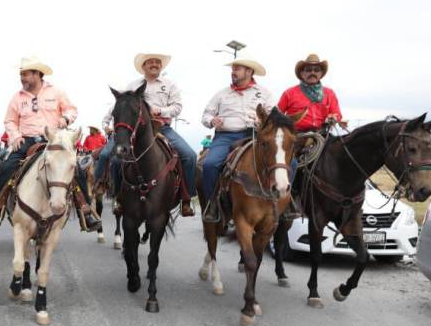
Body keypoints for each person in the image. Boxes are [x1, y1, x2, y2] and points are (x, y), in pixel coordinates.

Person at [0, 56, 101, 231]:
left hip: (53, 139)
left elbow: (71, 109)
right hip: (26, 140)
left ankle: (86, 210)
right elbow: (9, 121)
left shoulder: (56, 92)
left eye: (25, 74)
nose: (22, 78)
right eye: (21, 74)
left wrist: (65, 118)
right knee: (8, 167)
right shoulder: (17, 97)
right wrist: (15, 137)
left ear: (37, 74)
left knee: (75, 168)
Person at [200, 58, 277, 223]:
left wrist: (264, 122)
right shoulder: (221, 94)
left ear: (249, 72)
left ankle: (284, 202)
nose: (233, 72)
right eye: (233, 68)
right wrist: (212, 121)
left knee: (286, 162)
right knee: (209, 164)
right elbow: (205, 115)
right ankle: (211, 204)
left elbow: (274, 116)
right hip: (225, 136)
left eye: (238, 69)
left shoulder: (264, 93)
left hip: (255, 136)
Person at [126, 53, 196, 216]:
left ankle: (186, 198)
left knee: (190, 156)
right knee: (116, 157)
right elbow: (126, 104)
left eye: (157, 62)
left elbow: (177, 106)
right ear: (143, 66)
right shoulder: (133, 85)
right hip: (139, 130)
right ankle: (118, 197)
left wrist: (160, 110)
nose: (154, 64)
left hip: (162, 128)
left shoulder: (170, 84)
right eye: (150, 62)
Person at [277, 53, 345, 218]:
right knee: (289, 163)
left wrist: (333, 117)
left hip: (323, 133)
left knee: (344, 156)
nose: (312, 72)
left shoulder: (329, 93)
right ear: (302, 73)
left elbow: (337, 113)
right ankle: (288, 198)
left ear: (321, 73)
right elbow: (278, 114)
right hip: (296, 136)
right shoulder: (289, 93)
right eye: (308, 70)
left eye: (316, 69)